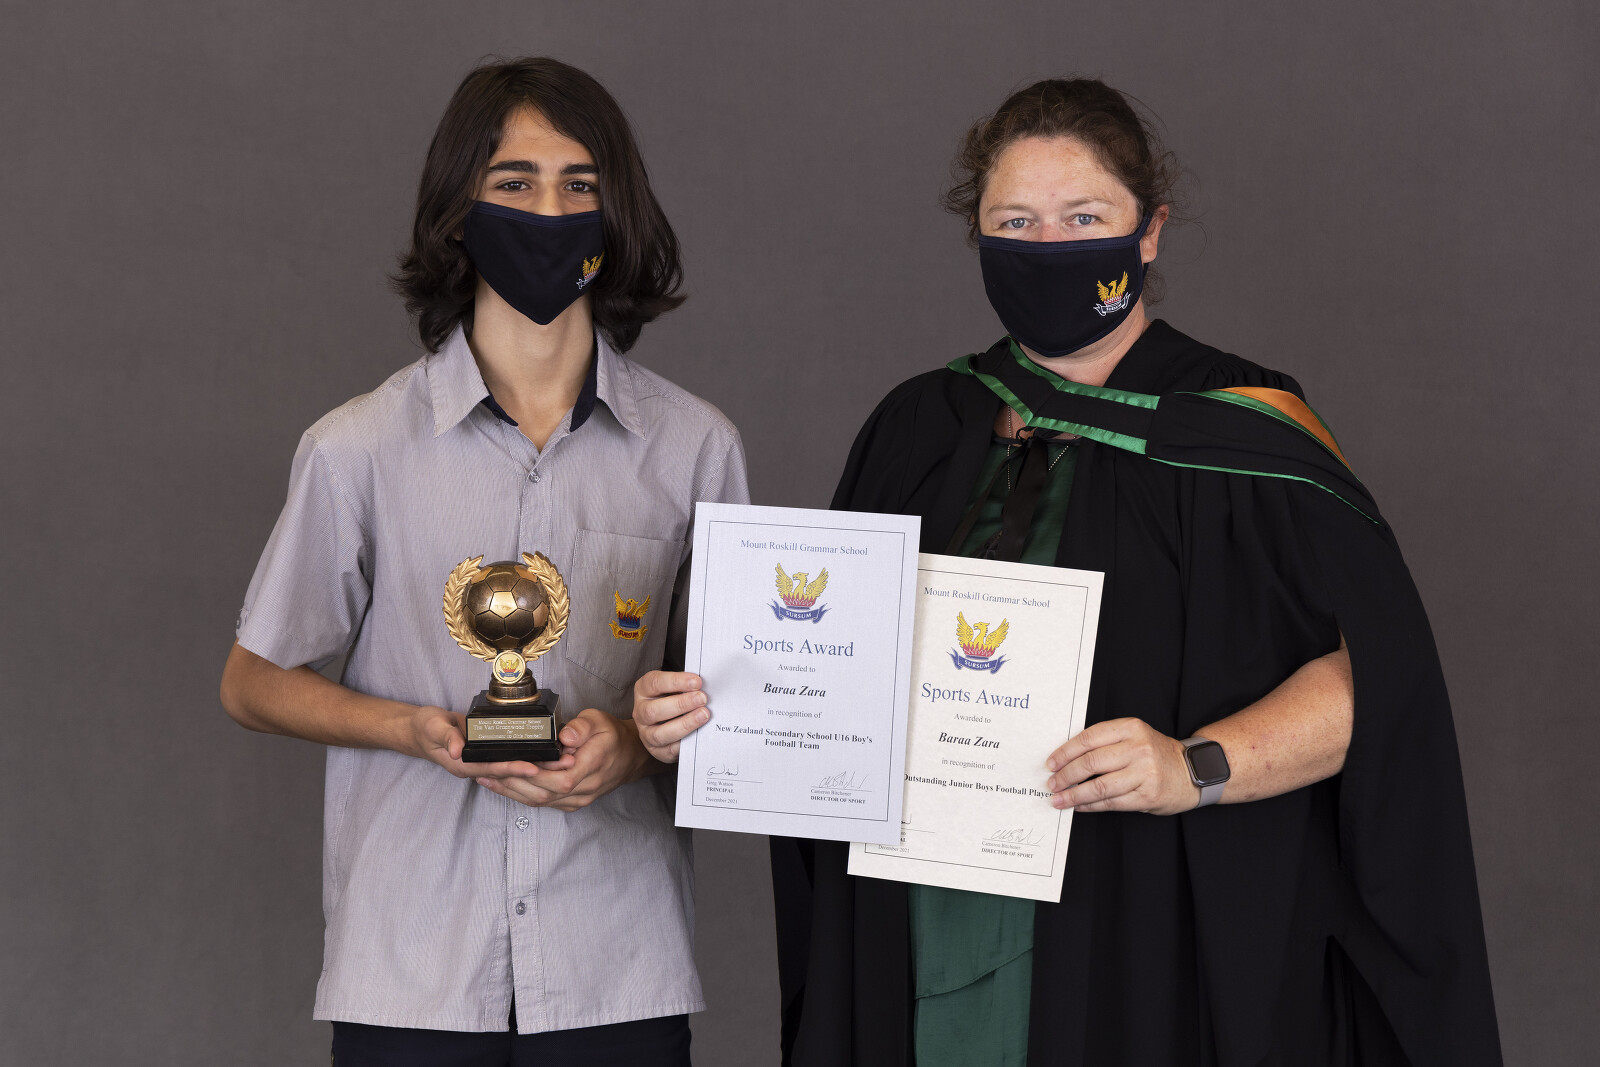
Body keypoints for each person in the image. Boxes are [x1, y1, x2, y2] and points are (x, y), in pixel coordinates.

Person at [649, 78, 1501, 1065]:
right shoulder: (921, 424)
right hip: (921, 909)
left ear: (1150, 231)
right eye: (1015, 221)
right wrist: (716, 714)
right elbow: (831, 668)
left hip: (1146, 935)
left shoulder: (1243, 432)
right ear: (978, 233)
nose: (1048, 246)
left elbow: (1381, 685)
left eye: (1084, 217)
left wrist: (1193, 765)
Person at [219, 57, 744, 1066]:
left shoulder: (696, 448)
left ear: (618, 210)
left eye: (580, 184)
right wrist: (413, 729)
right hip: (411, 966)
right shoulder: (356, 447)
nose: (549, 211)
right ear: (458, 210)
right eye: (514, 182)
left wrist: (631, 746)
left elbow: (732, 702)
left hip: (616, 963)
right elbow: (250, 680)